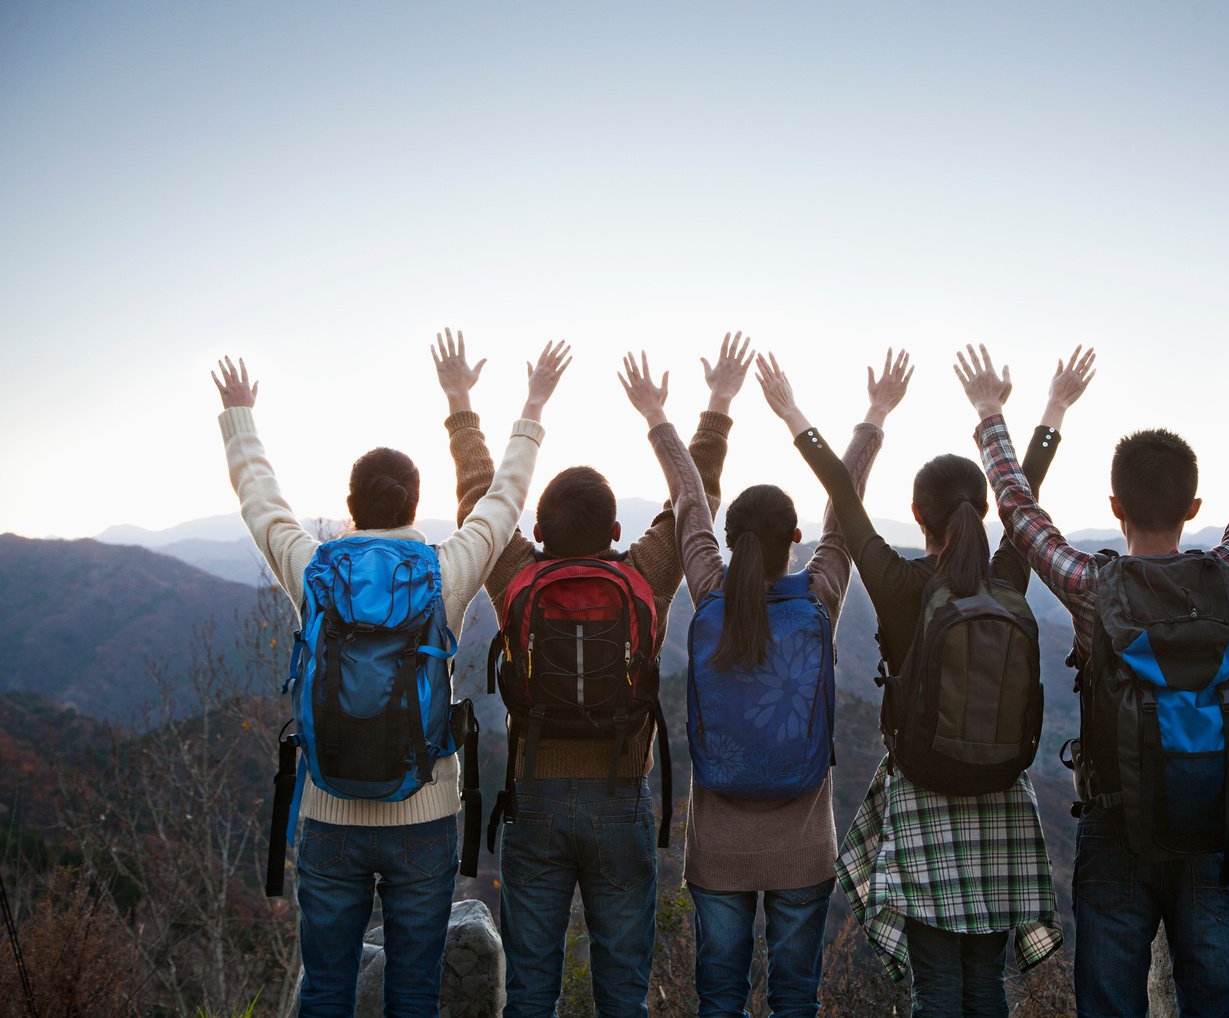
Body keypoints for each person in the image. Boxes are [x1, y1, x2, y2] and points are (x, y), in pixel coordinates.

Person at [958, 345, 1229, 1018]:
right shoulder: (1228, 574)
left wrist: (990, 411)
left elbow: (1017, 510)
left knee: (1110, 1001)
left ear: (1113, 503)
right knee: (1215, 998)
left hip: (1115, 823)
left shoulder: (1091, 587)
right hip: (1208, 822)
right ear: (1193, 507)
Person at [211, 341, 567, 1018]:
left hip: (328, 810)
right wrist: (531, 405)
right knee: (411, 993)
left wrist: (240, 417)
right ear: (415, 502)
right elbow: (502, 499)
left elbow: (262, 505)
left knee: (324, 988)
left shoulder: (313, 570)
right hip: (425, 814)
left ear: (350, 505)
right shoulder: (445, 571)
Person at [436, 330, 753, 1018]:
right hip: (620, 796)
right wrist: (715, 404)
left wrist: (464, 403)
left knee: (529, 992)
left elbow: (479, 500)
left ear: (539, 530)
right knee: (620, 991)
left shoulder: (516, 572)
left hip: (536, 799)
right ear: (615, 530)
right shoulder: (642, 574)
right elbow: (694, 500)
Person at [786, 347, 1093, 1016]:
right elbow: (1026, 496)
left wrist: (796, 414)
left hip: (922, 795)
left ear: (917, 515)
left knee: (937, 985)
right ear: (984, 510)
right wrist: (1050, 409)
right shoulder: (1007, 576)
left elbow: (841, 494)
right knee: (983, 983)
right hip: (1001, 795)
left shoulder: (899, 586)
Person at [620, 349, 903, 1018]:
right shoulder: (821, 596)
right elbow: (846, 505)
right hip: (802, 848)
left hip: (718, 850)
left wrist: (662, 416)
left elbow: (689, 502)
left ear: (730, 538)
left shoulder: (710, 591)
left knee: (718, 995)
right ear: (795, 540)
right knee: (794, 996)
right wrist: (874, 414)